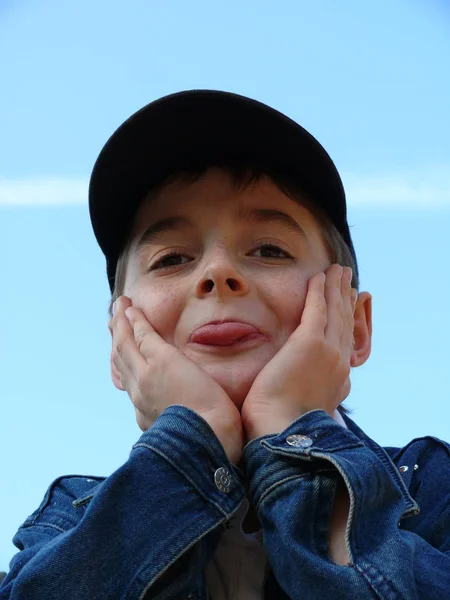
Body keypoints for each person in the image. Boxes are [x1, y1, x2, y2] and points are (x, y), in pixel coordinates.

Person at [1, 90, 449, 600]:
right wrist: (191, 441)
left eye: (268, 249)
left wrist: (291, 428)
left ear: (356, 326)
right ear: (118, 347)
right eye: (171, 259)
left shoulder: (432, 487)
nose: (218, 272)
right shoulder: (68, 520)